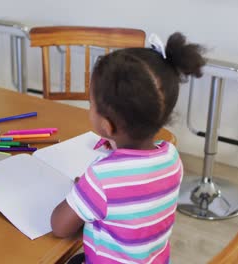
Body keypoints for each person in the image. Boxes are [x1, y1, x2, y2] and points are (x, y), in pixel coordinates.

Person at [51, 32, 205, 264]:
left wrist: (85, 191)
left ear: (106, 125)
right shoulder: (172, 157)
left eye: (90, 103)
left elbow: (59, 227)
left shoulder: (101, 177)